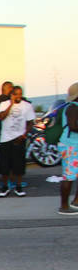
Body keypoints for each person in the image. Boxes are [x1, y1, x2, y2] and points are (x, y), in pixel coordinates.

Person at [0, 84, 35, 197]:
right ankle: (5, 187)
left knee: (19, 165)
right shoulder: (4, 104)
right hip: (6, 138)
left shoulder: (27, 106)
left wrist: (24, 134)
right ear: (11, 95)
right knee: (5, 165)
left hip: (19, 138)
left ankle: (18, 187)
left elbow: (30, 122)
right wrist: (11, 104)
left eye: (20, 94)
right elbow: (1, 117)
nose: (18, 96)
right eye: (16, 94)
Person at [56, 82, 78, 215]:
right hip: (70, 146)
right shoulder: (73, 107)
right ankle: (64, 206)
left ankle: (76, 202)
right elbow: (73, 126)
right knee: (68, 177)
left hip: (74, 145)